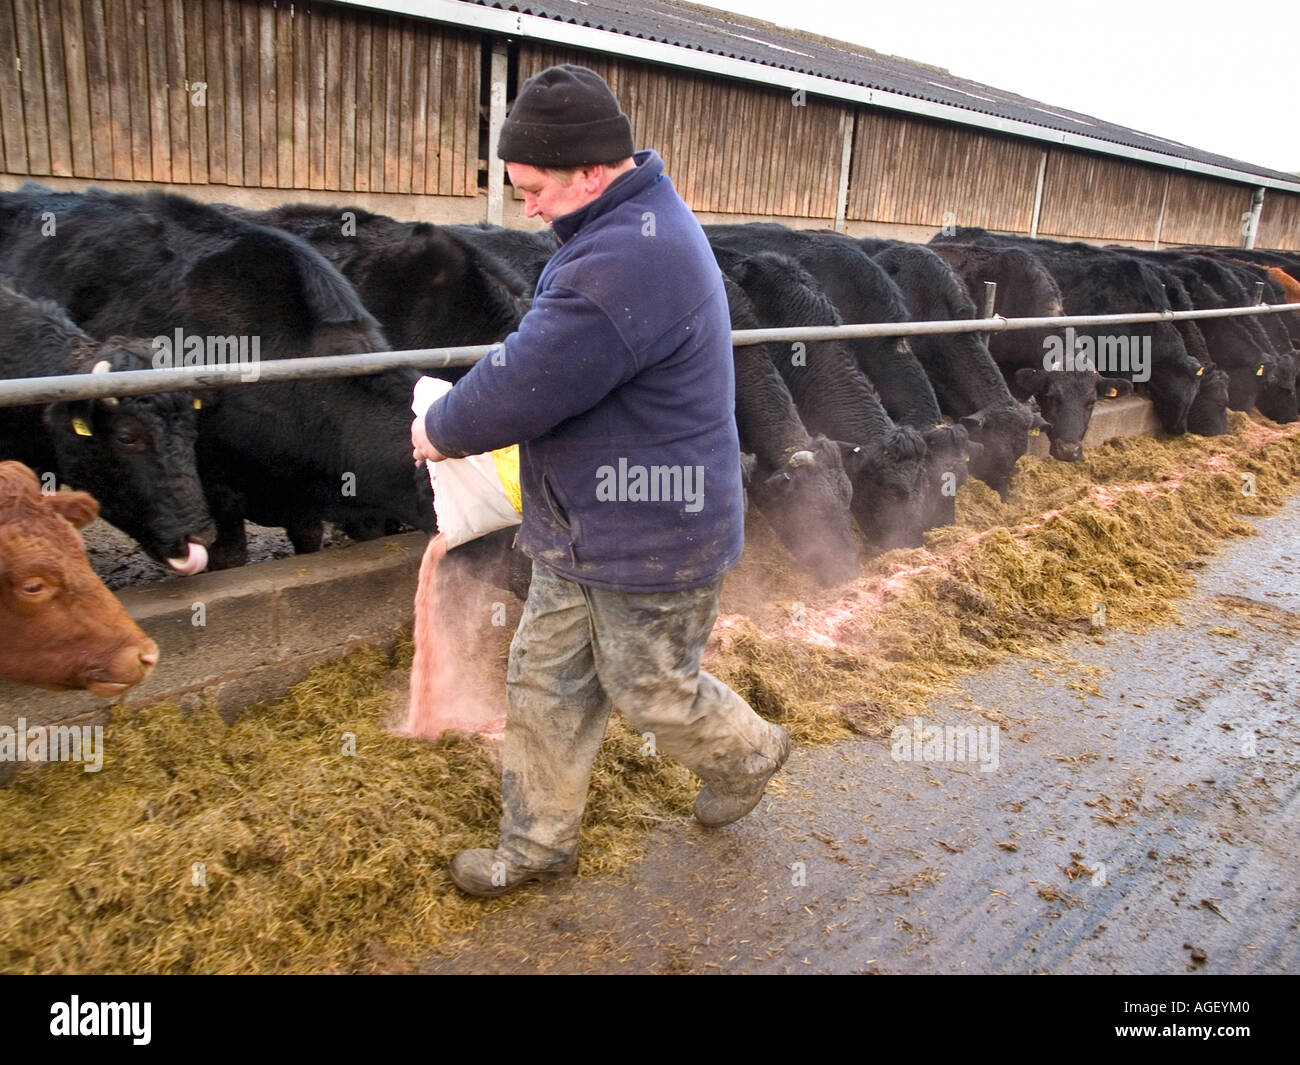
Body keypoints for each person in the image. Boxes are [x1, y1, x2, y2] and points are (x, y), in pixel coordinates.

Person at [410, 64, 790, 898]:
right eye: (516, 190)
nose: (527, 207)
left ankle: (752, 750)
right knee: (543, 679)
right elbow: (544, 359)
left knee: (652, 692)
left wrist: (437, 428)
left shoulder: (623, 259)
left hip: (654, 532)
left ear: (590, 171)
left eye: (535, 188)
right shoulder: (625, 223)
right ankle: (538, 843)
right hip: (582, 521)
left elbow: (528, 381)